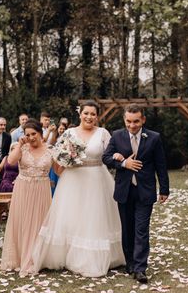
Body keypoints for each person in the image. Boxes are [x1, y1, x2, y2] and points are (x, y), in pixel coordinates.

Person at [33, 101, 125, 278]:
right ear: (80, 114)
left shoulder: (103, 133)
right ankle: (66, 255)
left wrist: (117, 155)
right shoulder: (69, 133)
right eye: (86, 113)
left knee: (95, 218)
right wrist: (62, 165)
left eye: (93, 114)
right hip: (73, 179)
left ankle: (95, 258)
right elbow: (57, 155)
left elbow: (110, 154)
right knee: (72, 216)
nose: (89, 117)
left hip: (97, 179)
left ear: (97, 116)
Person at [102, 104, 169, 283]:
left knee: (141, 229)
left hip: (145, 191)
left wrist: (164, 189)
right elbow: (105, 158)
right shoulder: (117, 136)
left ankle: (140, 268)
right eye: (129, 121)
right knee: (127, 229)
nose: (132, 125)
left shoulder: (154, 138)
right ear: (125, 120)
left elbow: (161, 165)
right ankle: (130, 262)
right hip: (124, 190)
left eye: (136, 121)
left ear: (143, 120)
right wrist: (123, 163)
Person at [1, 119, 52, 276]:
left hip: (42, 190)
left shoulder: (51, 149)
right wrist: (19, 144)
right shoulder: (21, 147)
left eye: (34, 134)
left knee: (39, 223)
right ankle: (22, 257)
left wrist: (70, 156)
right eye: (27, 134)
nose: (31, 137)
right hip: (23, 189)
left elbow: (60, 171)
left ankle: (38, 257)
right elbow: (10, 161)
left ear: (41, 133)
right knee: (23, 222)